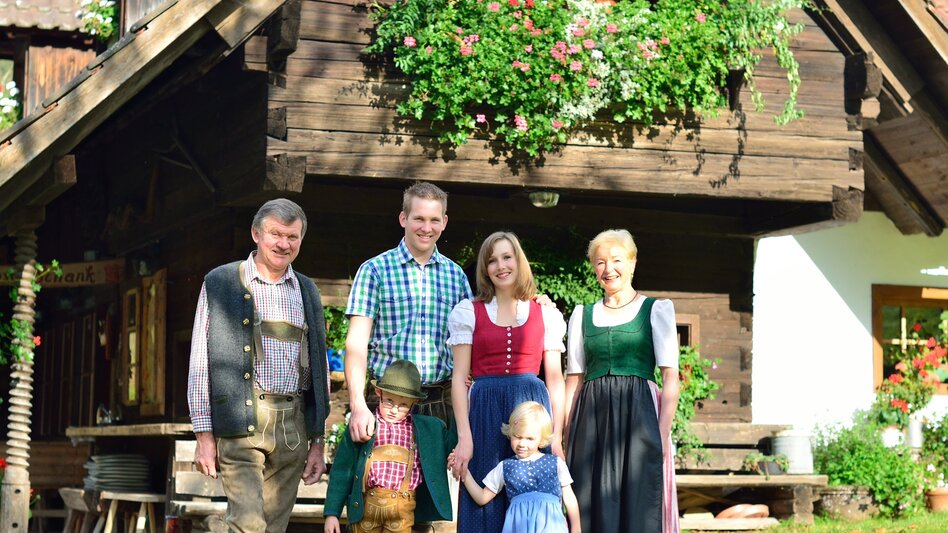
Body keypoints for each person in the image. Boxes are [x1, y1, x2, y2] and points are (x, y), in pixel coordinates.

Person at [187, 198, 330, 533]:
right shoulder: (220, 282)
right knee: (248, 525)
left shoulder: (307, 290)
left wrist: (318, 441)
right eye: (275, 234)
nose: (284, 244)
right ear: (256, 233)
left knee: (273, 528)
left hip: (292, 429)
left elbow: (317, 368)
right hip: (240, 423)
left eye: (292, 237)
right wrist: (204, 435)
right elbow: (199, 363)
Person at [449, 231, 567, 533]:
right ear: (484, 268)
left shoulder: (545, 313)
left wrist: (557, 437)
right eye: (492, 260)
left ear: (518, 261)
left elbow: (554, 378)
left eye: (506, 257)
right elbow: (460, 378)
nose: (500, 266)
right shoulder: (469, 312)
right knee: (484, 502)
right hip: (484, 411)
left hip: (531, 408)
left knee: (533, 497)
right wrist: (465, 437)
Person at [564, 229, 680, 533]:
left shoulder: (656, 310)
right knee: (589, 500)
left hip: (639, 417)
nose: (608, 269)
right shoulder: (581, 315)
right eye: (600, 262)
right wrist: (563, 434)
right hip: (591, 420)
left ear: (632, 262)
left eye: (616, 260)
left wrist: (662, 435)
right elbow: (573, 381)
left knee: (639, 502)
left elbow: (670, 378)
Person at [345, 181, 473, 439]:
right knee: (382, 480)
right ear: (403, 218)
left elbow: (471, 340)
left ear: (445, 222)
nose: (427, 228)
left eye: (434, 220)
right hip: (387, 402)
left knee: (437, 480)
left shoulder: (456, 276)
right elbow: (356, 344)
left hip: (440, 403)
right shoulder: (374, 270)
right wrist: (357, 405)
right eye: (419, 219)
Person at [324, 360, 456, 533]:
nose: (394, 409)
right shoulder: (364, 426)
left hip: (402, 511)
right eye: (389, 401)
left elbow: (454, 441)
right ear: (379, 392)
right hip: (366, 508)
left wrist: (463, 396)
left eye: (403, 405)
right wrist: (332, 513)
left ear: (414, 402)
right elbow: (342, 471)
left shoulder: (428, 429)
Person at [460, 401, 581, 533]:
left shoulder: (556, 463)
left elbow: (569, 498)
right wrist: (464, 473)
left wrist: (576, 528)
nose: (522, 443)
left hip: (551, 527)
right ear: (510, 433)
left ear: (541, 439)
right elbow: (482, 497)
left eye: (529, 438)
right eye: (517, 437)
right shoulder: (505, 466)